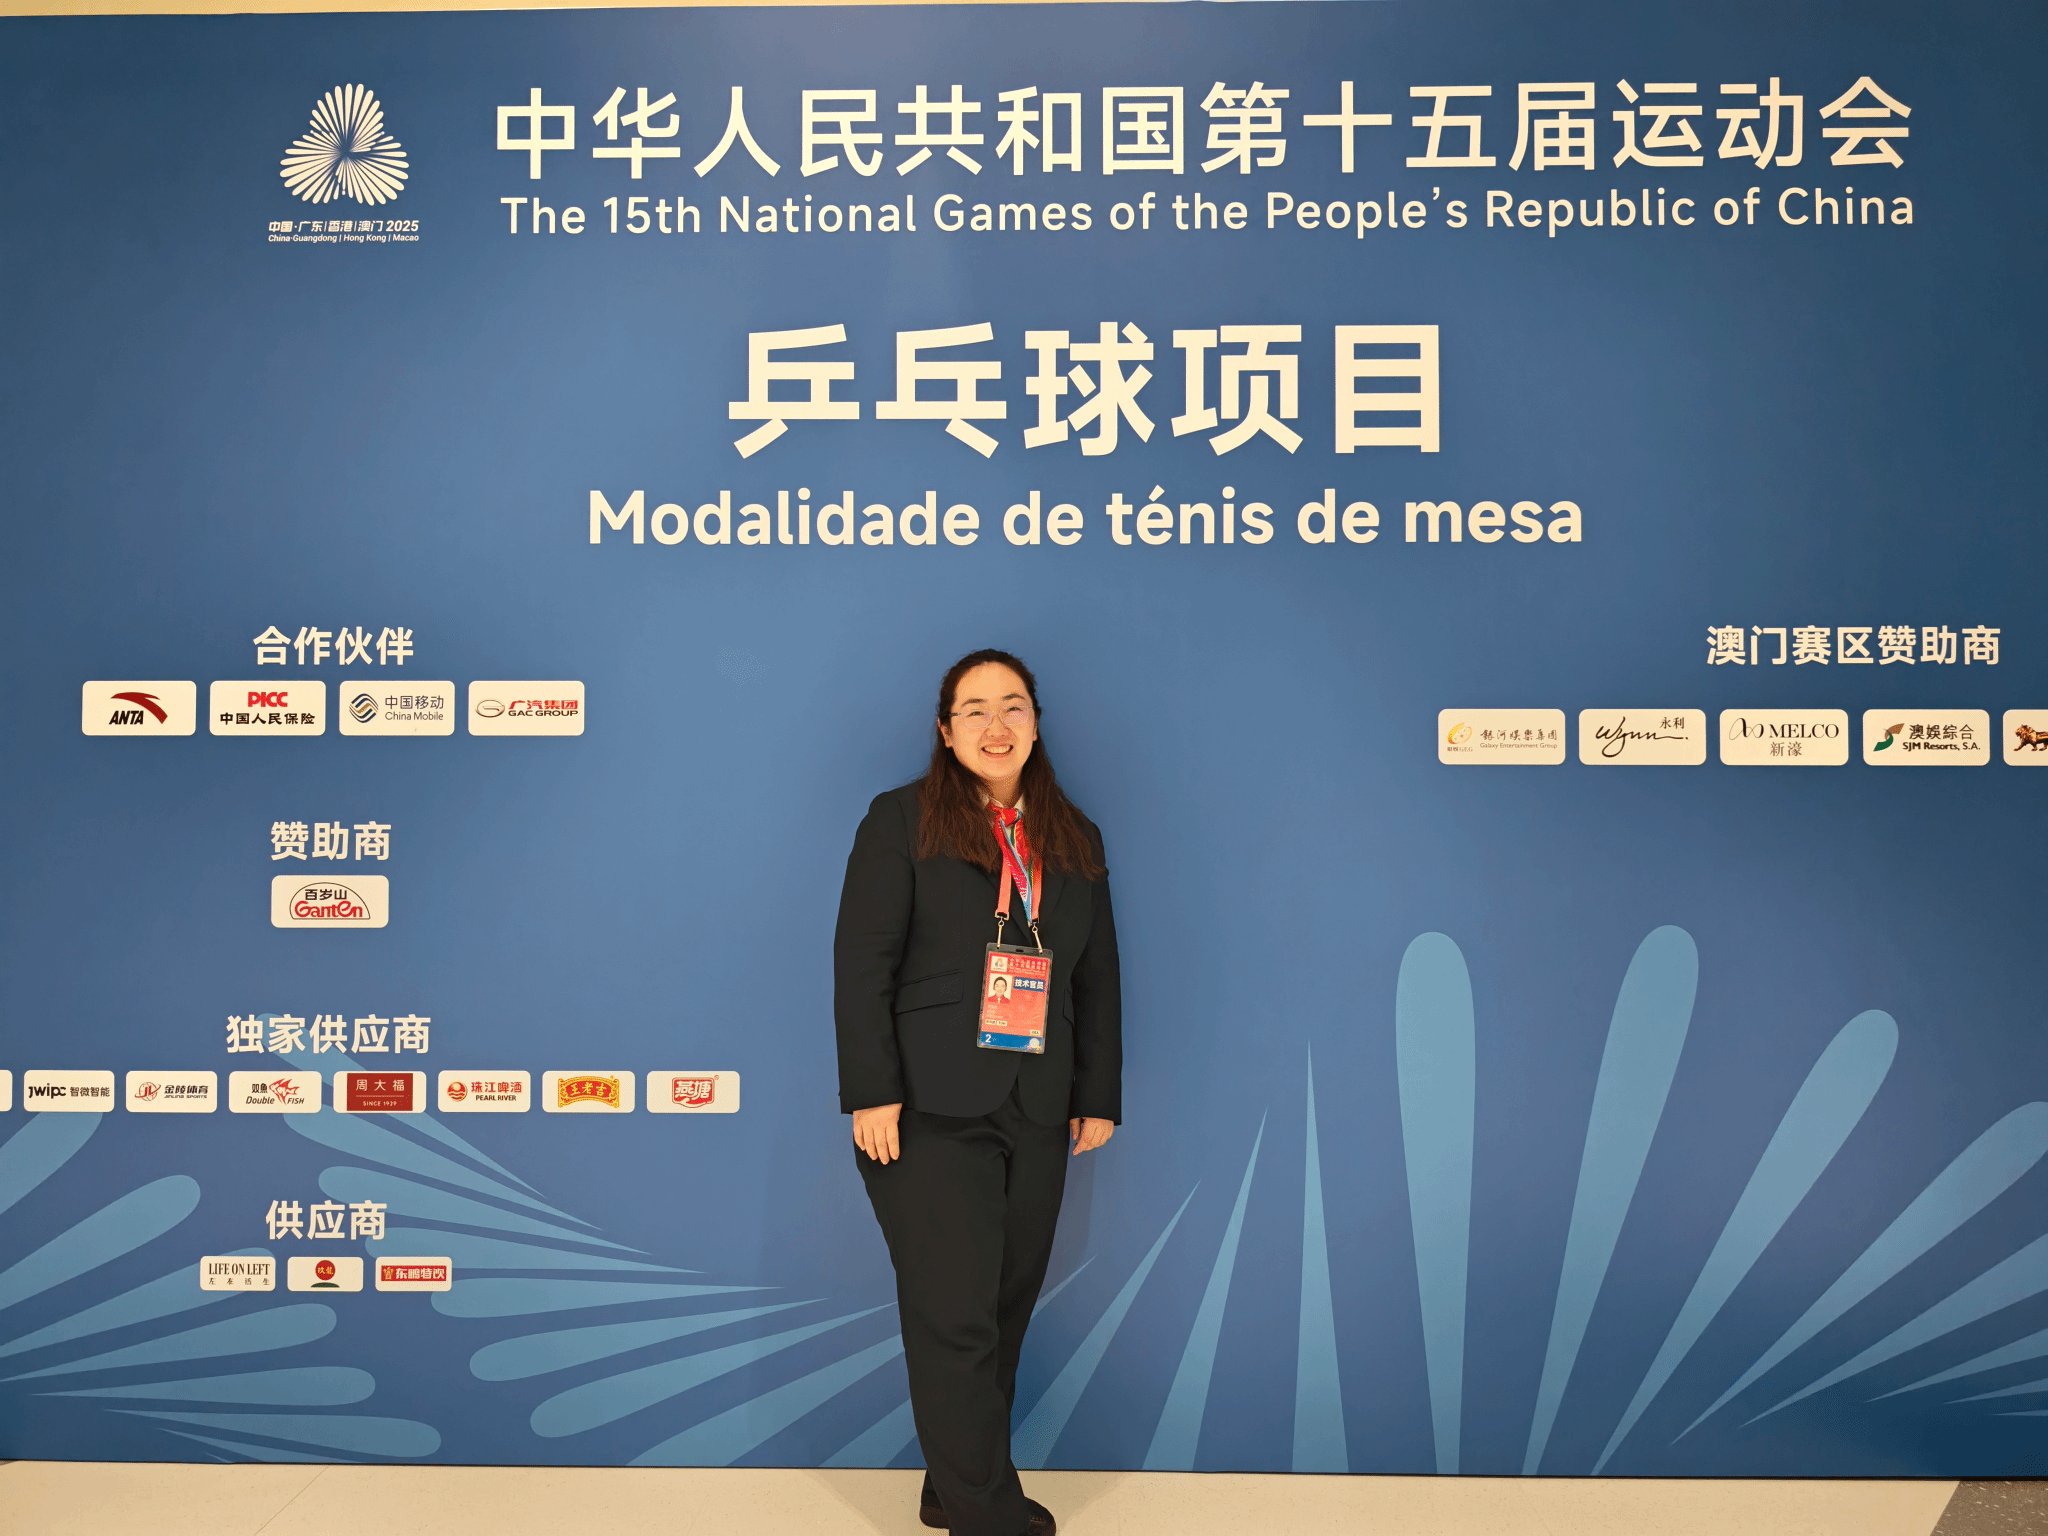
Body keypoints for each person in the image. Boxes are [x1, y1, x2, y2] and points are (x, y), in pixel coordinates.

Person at [835, 648, 1121, 1536]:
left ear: (1035, 723)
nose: (997, 726)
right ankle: (985, 1514)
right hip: (927, 1108)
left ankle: (951, 1484)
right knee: (953, 1316)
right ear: (946, 731)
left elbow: (1098, 978)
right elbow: (862, 963)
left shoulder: (1073, 835)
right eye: (975, 710)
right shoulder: (901, 819)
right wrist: (872, 1093)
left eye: (1013, 707)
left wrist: (1097, 1093)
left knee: (1002, 1309)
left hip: (1037, 1101)